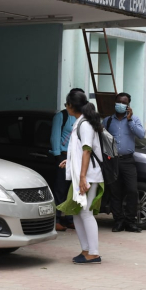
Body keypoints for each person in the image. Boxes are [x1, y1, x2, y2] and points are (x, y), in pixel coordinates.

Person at [57, 90, 104, 264]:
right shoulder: (81, 122)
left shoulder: (84, 124)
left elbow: (87, 150)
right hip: (83, 175)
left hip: (89, 175)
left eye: (66, 104)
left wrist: (83, 177)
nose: (66, 107)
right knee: (77, 213)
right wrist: (68, 162)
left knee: (85, 213)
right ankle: (86, 250)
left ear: (71, 106)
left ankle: (94, 253)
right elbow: (78, 151)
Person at [103, 92, 146, 233]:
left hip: (128, 161)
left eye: (124, 103)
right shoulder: (108, 121)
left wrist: (130, 120)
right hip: (112, 161)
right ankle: (118, 221)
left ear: (128, 105)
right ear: (115, 103)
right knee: (115, 192)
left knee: (132, 191)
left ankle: (130, 222)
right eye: (118, 102)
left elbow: (141, 134)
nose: (120, 105)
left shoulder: (135, 119)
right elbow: (101, 139)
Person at [50, 88, 84, 231]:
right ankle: (56, 219)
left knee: (73, 189)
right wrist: (58, 156)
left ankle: (70, 218)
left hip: (77, 157)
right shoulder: (62, 116)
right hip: (63, 156)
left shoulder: (81, 118)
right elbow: (55, 137)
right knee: (60, 189)